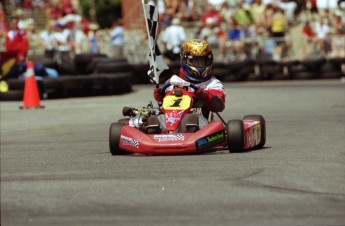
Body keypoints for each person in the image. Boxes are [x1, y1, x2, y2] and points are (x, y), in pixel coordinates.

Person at [152, 39, 226, 132]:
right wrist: (161, 97)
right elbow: (164, 106)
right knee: (156, 120)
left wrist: (205, 95)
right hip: (170, 120)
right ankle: (153, 128)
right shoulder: (173, 80)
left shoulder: (213, 83)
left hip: (199, 122)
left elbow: (219, 106)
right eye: (195, 61)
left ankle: (191, 130)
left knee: (194, 121)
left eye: (202, 61)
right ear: (184, 60)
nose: (199, 65)